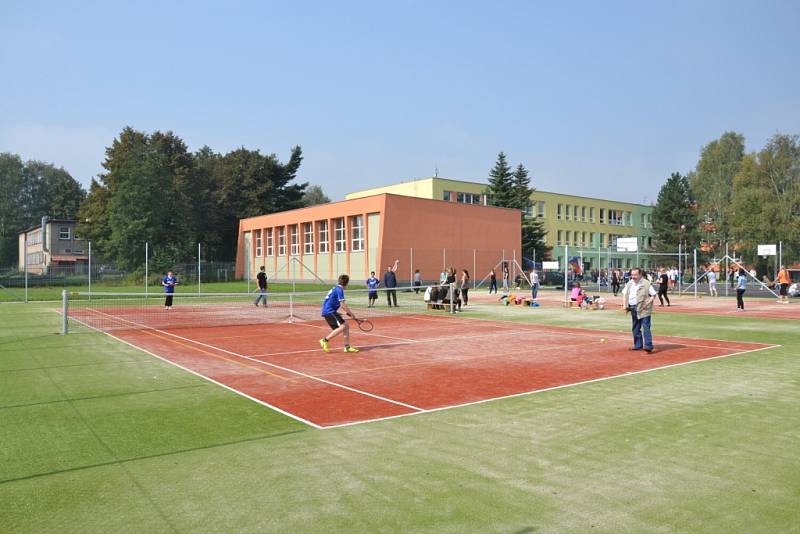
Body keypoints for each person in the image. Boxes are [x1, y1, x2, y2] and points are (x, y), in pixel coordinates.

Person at [319, 274, 360, 353]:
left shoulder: (336, 288)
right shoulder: (339, 290)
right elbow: (343, 306)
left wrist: (347, 314)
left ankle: (347, 347)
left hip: (330, 311)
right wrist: (352, 314)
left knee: (346, 326)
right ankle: (325, 340)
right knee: (343, 326)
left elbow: (336, 304)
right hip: (329, 311)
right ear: (346, 283)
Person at [621, 267, 657, 353]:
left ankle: (648, 346)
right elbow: (625, 294)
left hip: (644, 309)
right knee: (635, 328)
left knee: (646, 327)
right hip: (633, 308)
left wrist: (647, 303)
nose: (633, 276)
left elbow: (653, 295)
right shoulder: (629, 283)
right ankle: (638, 345)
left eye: (635, 275)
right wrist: (625, 305)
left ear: (640, 274)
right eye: (632, 275)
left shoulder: (646, 283)